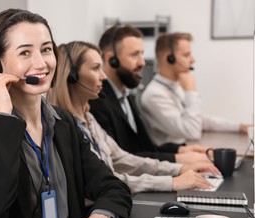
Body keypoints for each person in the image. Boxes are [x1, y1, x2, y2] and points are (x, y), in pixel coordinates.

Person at [0, 9, 132, 218]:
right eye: (25, 52)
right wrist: (2, 116)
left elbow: (111, 186)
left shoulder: (63, 122)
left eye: (46, 49)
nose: (41, 63)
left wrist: (102, 214)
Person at [46, 41, 220, 194]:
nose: (103, 76)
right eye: (95, 68)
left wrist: (179, 169)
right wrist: (171, 181)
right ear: (72, 76)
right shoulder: (65, 127)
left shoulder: (89, 118)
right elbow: (105, 180)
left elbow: (123, 159)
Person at [89, 25, 210, 165]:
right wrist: (177, 159)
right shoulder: (97, 102)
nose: (142, 62)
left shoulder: (126, 96)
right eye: (135, 55)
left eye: (142, 53)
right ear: (112, 59)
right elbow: (122, 159)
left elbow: (143, 148)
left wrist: (181, 150)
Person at [139, 32, 250, 146]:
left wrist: (238, 127)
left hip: (188, 149)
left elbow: (199, 120)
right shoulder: (154, 95)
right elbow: (192, 131)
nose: (192, 60)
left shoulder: (173, 86)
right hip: (174, 157)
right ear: (169, 58)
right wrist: (190, 90)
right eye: (186, 55)